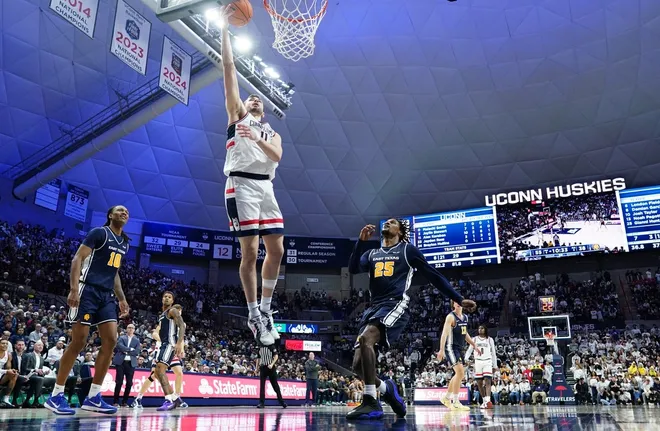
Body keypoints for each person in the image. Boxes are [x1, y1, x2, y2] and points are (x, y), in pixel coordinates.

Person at [346, 220, 477, 420]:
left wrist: (458, 298)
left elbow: (433, 276)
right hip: (373, 307)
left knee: (366, 340)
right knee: (357, 365)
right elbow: (353, 268)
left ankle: (371, 401)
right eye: (387, 221)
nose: (388, 223)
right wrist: (360, 243)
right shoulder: (371, 253)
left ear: (400, 231)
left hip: (396, 303)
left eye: (393, 222)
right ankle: (387, 390)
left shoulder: (408, 251)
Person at [220, 6, 284, 347]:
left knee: (277, 250)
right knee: (250, 253)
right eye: (250, 97)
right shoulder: (237, 116)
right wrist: (225, 31)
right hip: (241, 184)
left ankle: (266, 309)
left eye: (259, 99)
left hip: (265, 187)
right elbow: (229, 69)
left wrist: (258, 138)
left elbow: (277, 156)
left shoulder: (271, 132)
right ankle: (253, 313)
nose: (254, 99)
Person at [45, 205, 131, 415]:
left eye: (127, 212)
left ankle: (93, 396)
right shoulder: (99, 233)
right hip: (87, 290)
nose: (124, 213)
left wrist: (122, 298)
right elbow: (77, 259)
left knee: (111, 341)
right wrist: (74, 289)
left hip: (106, 294)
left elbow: (115, 272)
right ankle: (56, 394)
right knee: (79, 341)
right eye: (120, 210)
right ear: (110, 215)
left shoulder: (124, 242)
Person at [132, 304, 188, 409]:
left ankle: (176, 397)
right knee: (154, 375)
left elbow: (181, 338)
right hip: (162, 348)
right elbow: (154, 334)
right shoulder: (166, 321)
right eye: (177, 310)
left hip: (173, 350)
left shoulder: (181, 324)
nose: (178, 312)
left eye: (180, 311)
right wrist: (165, 342)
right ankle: (138, 398)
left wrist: (182, 349)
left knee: (179, 373)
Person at [437, 300, 480, 411]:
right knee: (460, 372)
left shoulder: (465, 317)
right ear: (453, 304)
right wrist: (441, 350)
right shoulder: (450, 317)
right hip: (451, 348)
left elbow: (465, 334)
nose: (458, 303)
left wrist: (474, 345)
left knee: (459, 374)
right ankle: (455, 401)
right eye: (455, 302)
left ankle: (446, 398)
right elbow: (444, 334)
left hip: (460, 348)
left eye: (459, 301)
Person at [152, 292, 185, 411]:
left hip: (170, 345)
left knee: (160, 370)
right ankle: (175, 399)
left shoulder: (172, 311)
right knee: (157, 372)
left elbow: (182, 325)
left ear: (172, 301)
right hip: (164, 345)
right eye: (165, 296)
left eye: (169, 297)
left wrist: (179, 343)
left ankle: (168, 400)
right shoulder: (162, 314)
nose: (166, 298)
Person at [465, 324, 497, 409]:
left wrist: (495, 365)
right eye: (479, 328)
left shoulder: (490, 339)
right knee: (479, 383)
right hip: (478, 362)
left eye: (482, 328)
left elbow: (493, 353)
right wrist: (465, 359)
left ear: (485, 329)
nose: (480, 329)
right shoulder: (474, 339)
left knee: (487, 380)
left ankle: (488, 400)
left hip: (487, 361)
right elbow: (469, 350)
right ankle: (483, 400)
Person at [112, 323, 140, 407]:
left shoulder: (137, 340)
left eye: (132, 328)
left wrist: (126, 350)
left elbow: (137, 352)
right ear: (126, 329)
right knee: (119, 382)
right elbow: (120, 346)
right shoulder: (121, 337)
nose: (130, 329)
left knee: (129, 383)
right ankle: (116, 401)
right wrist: (130, 349)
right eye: (129, 327)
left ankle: (124, 402)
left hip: (131, 364)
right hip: (121, 362)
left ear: (134, 330)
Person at [256, 342, 286, 409]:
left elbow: (276, 356)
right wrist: (256, 368)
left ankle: (281, 401)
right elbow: (258, 358)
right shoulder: (260, 347)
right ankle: (261, 403)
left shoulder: (271, 346)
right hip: (263, 367)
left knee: (275, 385)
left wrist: (272, 364)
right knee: (262, 386)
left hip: (271, 368)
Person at [0, 339, 17, 407]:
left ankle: (6, 398)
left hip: (1, 373)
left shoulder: (8, 354)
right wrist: (7, 371)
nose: (5, 345)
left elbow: (8, 368)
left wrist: (12, 370)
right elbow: (6, 371)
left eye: (6, 344)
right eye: (3, 343)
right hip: (2, 372)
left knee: (14, 375)